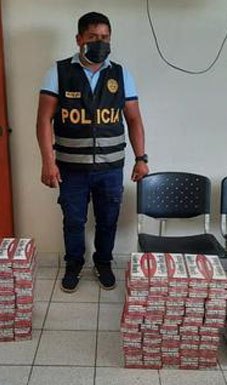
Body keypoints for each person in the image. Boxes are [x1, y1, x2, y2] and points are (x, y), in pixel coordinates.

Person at [36, 11, 149, 293]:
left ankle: (103, 263)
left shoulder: (121, 74)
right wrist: (48, 162)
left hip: (111, 168)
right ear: (79, 39)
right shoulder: (59, 72)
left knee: (108, 220)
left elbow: (134, 119)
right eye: (93, 37)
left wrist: (141, 158)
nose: (100, 43)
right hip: (71, 168)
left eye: (105, 38)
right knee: (74, 221)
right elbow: (43, 120)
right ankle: (74, 264)